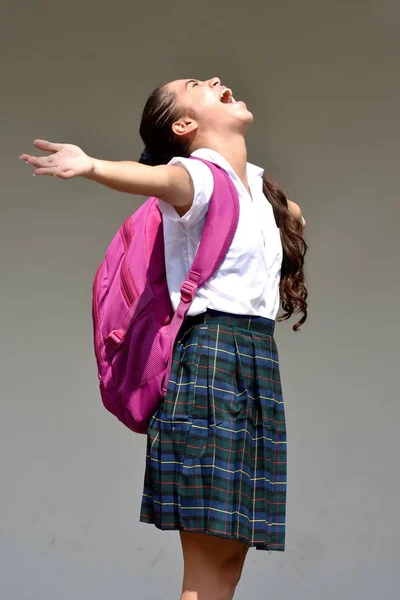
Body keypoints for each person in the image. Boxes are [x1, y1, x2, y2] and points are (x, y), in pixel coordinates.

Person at [20, 77, 308, 600]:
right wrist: (92, 166)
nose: (218, 80)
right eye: (198, 84)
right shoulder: (196, 177)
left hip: (253, 362)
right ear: (184, 125)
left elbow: (291, 218)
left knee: (228, 562)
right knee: (206, 563)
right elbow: (157, 180)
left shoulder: (259, 190)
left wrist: (277, 205)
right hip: (212, 361)